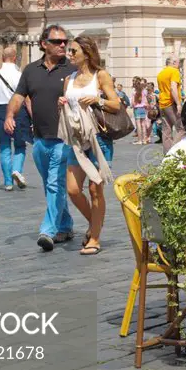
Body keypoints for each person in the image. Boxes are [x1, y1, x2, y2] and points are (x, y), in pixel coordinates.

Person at [6, 24, 74, 253]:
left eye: (65, 41)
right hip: (40, 139)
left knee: (55, 184)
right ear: (44, 44)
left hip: (64, 139)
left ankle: (48, 231)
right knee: (50, 186)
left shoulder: (72, 70)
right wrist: (9, 115)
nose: (63, 45)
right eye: (57, 41)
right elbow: (18, 96)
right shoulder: (30, 70)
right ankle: (65, 224)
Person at [61, 36, 121, 256]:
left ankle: (94, 237)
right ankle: (95, 222)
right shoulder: (69, 79)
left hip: (98, 140)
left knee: (95, 190)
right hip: (76, 140)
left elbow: (116, 104)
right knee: (73, 190)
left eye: (73, 51)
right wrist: (62, 103)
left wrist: (98, 100)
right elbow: (70, 106)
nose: (69, 54)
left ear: (86, 52)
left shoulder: (100, 76)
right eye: (69, 50)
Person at [0, 46, 32, 191]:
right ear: (14, 57)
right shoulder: (20, 75)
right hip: (19, 111)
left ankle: (8, 182)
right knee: (20, 145)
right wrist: (33, 117)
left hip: (0, 111)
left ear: (2, 57)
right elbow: (28, 99)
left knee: (4, 148)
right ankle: (17, 170)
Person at [157, 56, 184, 152]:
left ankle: (167, 155)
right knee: (181, 128)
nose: (179, 64)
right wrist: (178, 104)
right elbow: (173, 88)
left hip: (162, 103)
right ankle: (174, 151)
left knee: (166, 130)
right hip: (171, 103)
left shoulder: (161, 73)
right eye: (178, 62)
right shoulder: (174, 71)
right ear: (173, 63)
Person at [131, 79, 151, 145]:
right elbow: (146, 101)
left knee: (138, 125)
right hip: (143, 108)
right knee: (143, 124)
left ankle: (139, 140)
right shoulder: (144, 92)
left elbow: (133, 103)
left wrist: (133, 106)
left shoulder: (134, 92)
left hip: (137, 109)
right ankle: (144, 140)